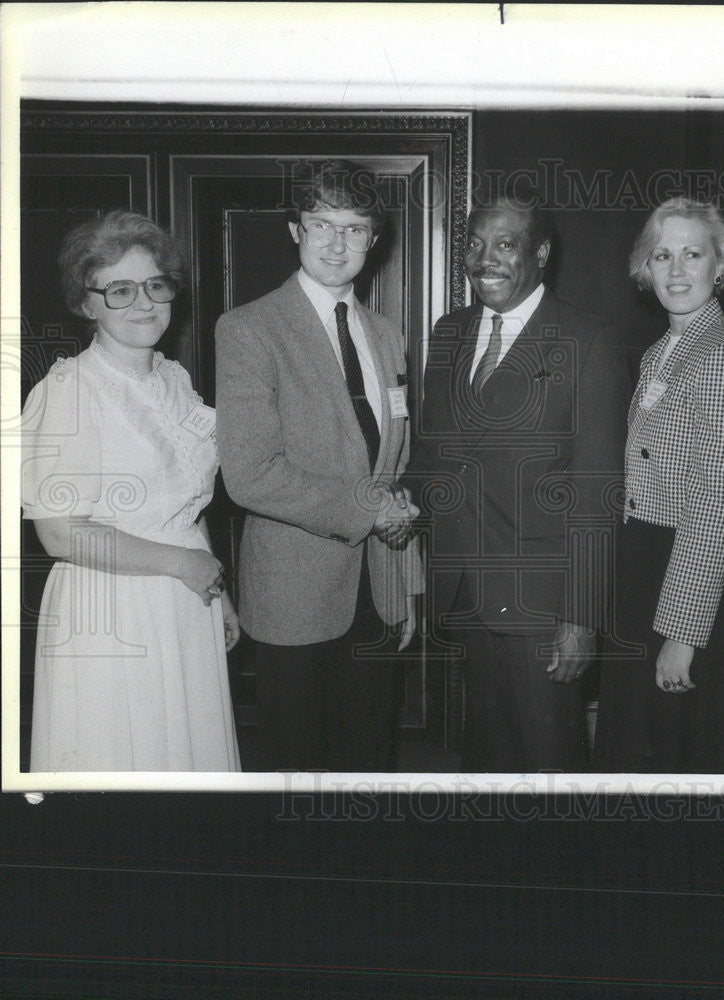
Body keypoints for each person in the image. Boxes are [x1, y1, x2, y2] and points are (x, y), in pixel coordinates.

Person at [405, 189, 630, 773]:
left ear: (541, 254)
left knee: (548, 763)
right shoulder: (449, 332)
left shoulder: (588, 339)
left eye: (505, 245)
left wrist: (580, 616)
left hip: (543, 603)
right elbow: (435, 455)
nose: (486, 260)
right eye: (475, 245)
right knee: (486, 757)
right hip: (465, 591)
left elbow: (596, 491)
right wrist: (397, 500)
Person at [215, 160, 421, 773]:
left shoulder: (387, 335)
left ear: (372, 241)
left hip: (379, 586)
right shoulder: (250, 329)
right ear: (294, 231)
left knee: (369, 757)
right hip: (294, 592)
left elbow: (394, 461)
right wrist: (370, 507)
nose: (337, 243)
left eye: (355, 229)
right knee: (297, 767)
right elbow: (249, 473)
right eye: (321, 224)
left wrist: (406, 580)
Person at [21, 210, 240, 772]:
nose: (143, 303)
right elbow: (60, 533)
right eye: (119, 290)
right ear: (85, 302)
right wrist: (185, 566)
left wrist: (215, 585)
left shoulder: (174, 379)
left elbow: (185, 501)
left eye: (155, 285)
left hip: (184, 599)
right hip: (111, 612)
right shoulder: (69, 390)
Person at [592, 198, 724, 774]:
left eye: (692, 254)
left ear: (720, 266)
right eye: (662, 255)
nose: (675, 270)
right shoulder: (660, 354)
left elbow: (716, 508)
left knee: (674, 755)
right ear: (645, 268)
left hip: (683, 578)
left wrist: (682, 633)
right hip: (642, 567)